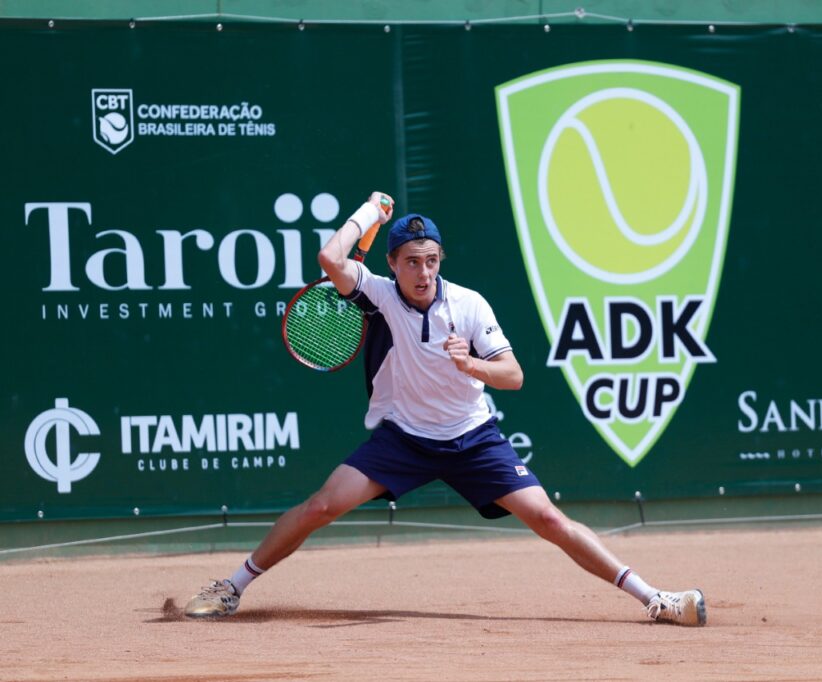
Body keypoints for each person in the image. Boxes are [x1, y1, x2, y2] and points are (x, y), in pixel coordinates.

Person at [184, 192, 706, 627]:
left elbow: (516, 375)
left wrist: (474, 366)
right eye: (412, 260)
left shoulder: (470, 305)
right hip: (403, 439)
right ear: (391, 263)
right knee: (321, 506)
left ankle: (655, 599)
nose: (423, 271)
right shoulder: (379, 297)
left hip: (473, 438)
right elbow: (330, 260)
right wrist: (368, 213)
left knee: (548, 517)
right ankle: (232, 587)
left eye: (431, 260)